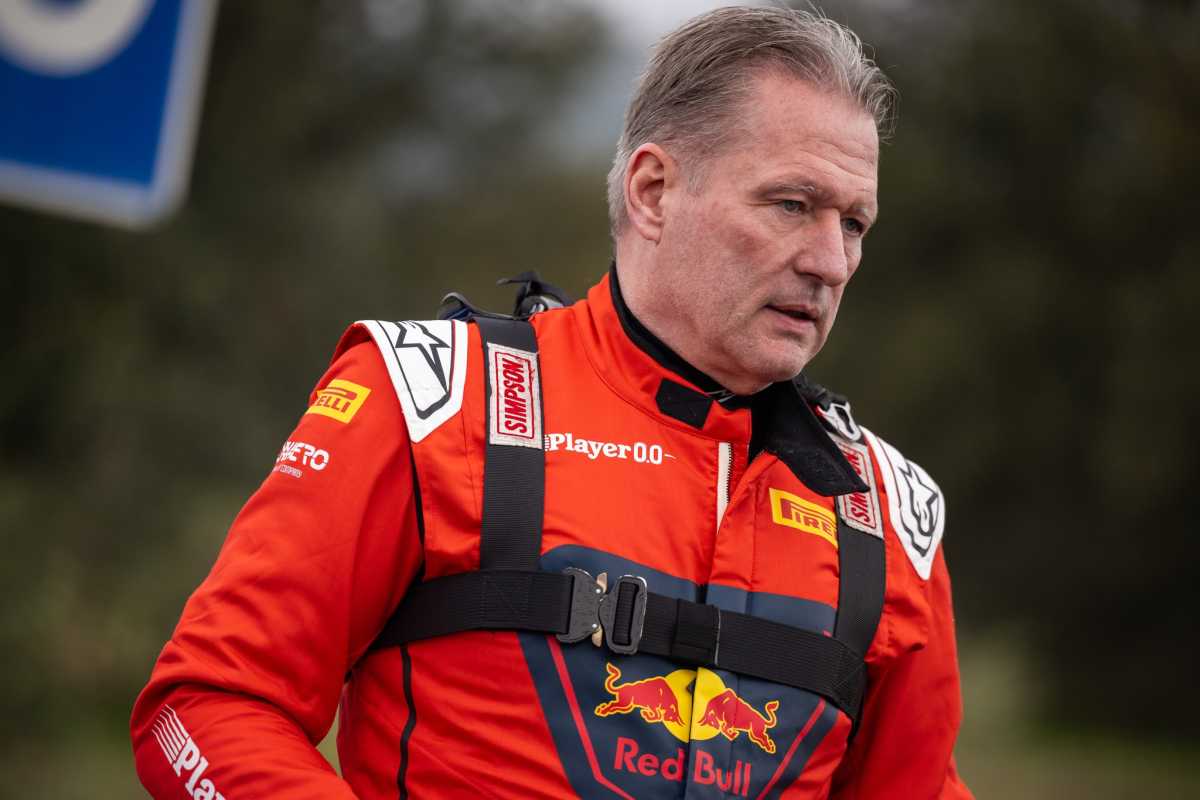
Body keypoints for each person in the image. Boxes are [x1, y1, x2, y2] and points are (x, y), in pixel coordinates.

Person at [132, 7, 973, 799]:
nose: (830, 261)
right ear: (653, 191)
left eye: (853, 224)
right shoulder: (432, 401)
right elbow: (202, 707)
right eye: (792, 205)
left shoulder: (888, 511)